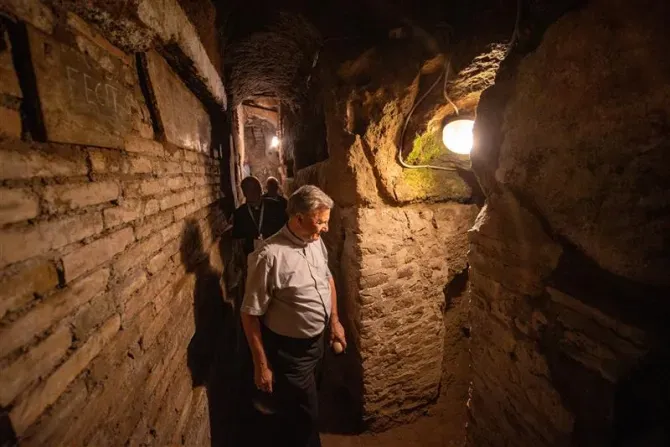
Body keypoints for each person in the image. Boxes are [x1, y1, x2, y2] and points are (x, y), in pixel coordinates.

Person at [240, 185, 346, 447]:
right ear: (299, 218)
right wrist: (261, 365)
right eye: (320, 222)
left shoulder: (315, 241)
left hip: (317, 344)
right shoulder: (269, 256)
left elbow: (328, 279)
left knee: (306, 403)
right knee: (306, 415)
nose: (326, 228)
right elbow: (250, 314)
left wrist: (334, 321)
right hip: (290, 352)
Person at [232, 176, 287, 257]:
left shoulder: (276, 206)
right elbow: (238, 240)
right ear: (244, 193)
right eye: (248, 189)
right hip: (252, 257)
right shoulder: (239, 213)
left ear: (260, 189)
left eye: (255, 188)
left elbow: (285, 228)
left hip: (277, 254)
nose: (252, 192)